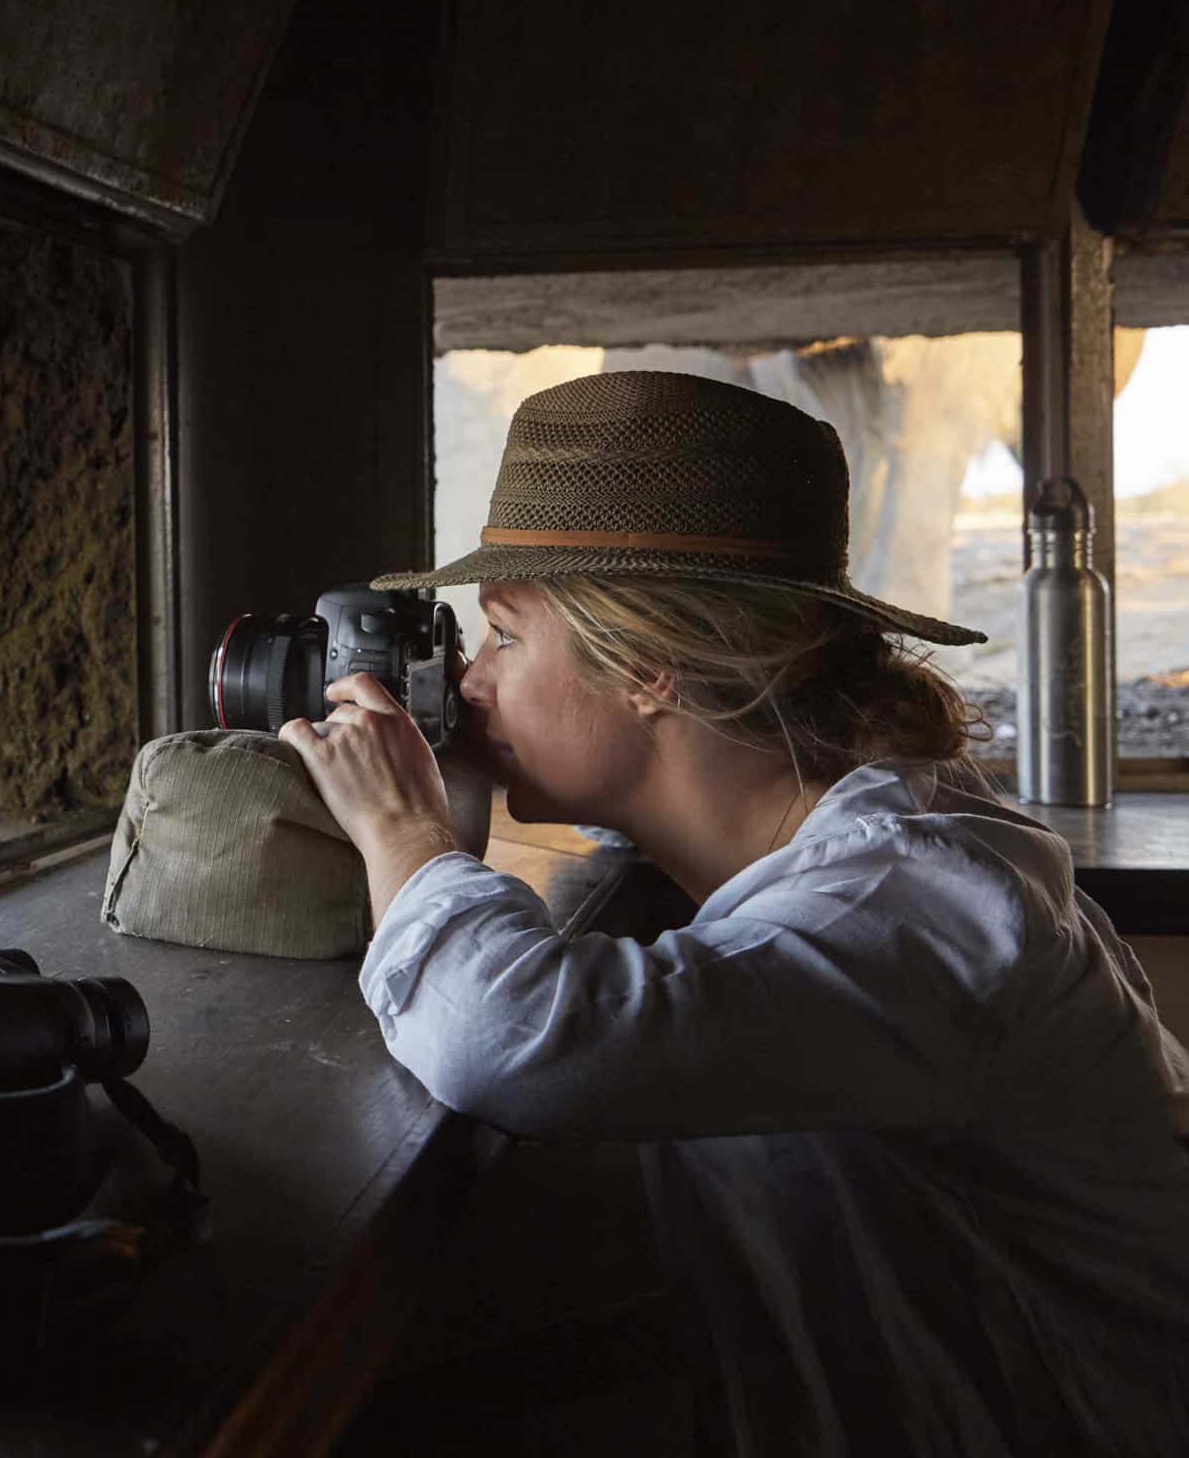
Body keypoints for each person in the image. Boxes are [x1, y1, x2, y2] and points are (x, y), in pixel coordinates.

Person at [279, 370, 1189, 1456]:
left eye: (505, 637)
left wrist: (402, 831)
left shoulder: (917, 896)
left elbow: (504, 1037)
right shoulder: (829, 841)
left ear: (652, 668)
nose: (469, 682)